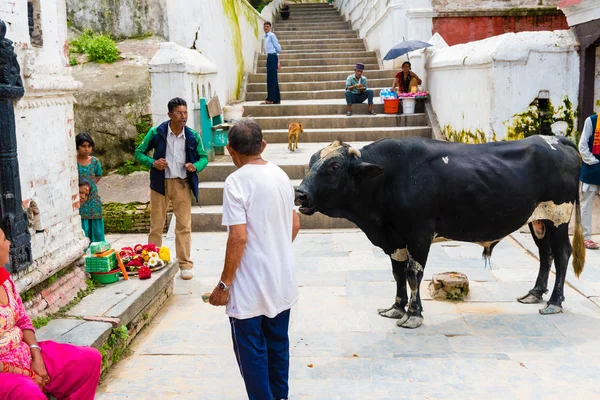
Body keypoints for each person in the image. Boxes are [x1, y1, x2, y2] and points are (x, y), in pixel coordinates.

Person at [209, 120, 300, 400]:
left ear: (230, 149)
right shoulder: (280, 175)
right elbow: (295, 224)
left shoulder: (236, 181)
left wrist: (224, 286)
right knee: (277, 348)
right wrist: (275, 250)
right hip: (281, 282)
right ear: (263, 146)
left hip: (249, 290)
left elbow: (238, 237)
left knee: (253, 357)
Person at [0, 228, 102, 399]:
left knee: (89, 360)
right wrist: (26, 374)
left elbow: (23, 321)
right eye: (3, 240)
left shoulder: (5, 280)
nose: (9, 243)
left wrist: (36, 356)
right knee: (29, 392)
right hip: (5, 371)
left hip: (24, 353)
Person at [135, 97, 209, 280]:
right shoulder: (157, 133)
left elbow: (204, 158)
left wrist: (196, 167)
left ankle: (184, 264)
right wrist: (153, 162)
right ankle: (153, 260)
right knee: (156, 224)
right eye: (179, 113)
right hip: (160, 184)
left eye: (185, 113)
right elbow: (138, 153)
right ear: (170, 115)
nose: (183, 116)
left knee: (184, 225)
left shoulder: (192, 136)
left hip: (182, 183)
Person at [76, 132, 105, 243]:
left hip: (92, 197)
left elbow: (98, 174)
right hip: (80, 198)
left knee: (95, 221)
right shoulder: (73, 161)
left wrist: (90, 185)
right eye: (83, 146)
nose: (86, 149)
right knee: (82, 222)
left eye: (89, 146)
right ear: (77, 147)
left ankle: (98, 248)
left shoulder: (95, 162)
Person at [578, 113, 600, 250]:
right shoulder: (591, 121)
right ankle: (586, 238)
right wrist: (595, 162)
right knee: (586, 204)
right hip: (592, 168)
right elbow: (583, 146)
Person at [262, 21, 281, 105]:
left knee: (271, 79)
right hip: (269, 57)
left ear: (270, 27)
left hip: (272, 57)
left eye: (267, 26)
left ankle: (270, 99)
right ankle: (276, 99)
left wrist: (277, 60)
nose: (266, 28)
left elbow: (278, 48)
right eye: (264, 26)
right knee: (273, 78)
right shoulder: (265, 37)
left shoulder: (271, 36)